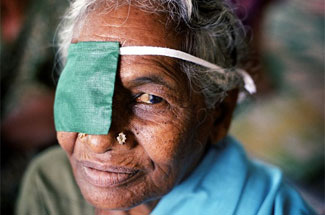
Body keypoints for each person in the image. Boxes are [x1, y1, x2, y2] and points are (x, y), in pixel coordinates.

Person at [16, 0, 315, 214]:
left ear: (220, 114)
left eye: (150, 99)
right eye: (85, 89)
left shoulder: (265, 208)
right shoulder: (51, 184)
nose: (97, 140)